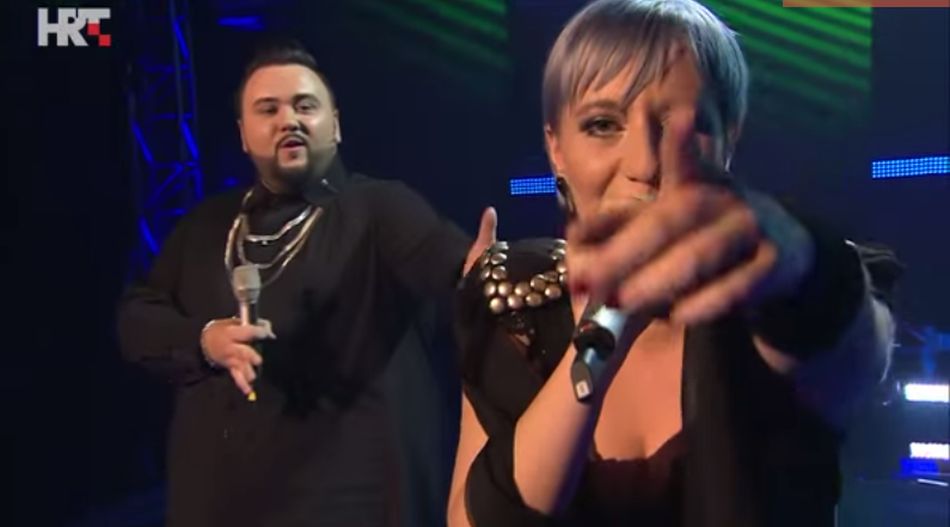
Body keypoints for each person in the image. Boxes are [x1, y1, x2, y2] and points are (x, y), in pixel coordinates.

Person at [447, 1, 900, 526]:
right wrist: (606, 326)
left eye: (680, 125)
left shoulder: (783, 294)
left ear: (730, 136)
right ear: (556, 149)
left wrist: (799, 263)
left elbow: (855, 354)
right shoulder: (516, 302)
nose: (644, 163)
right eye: (603, 124)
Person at [118, 40, 493, 527]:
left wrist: (479, 272)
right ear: (243, 134)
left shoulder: (379, 208)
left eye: (304, 106)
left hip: (350, 500)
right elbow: (137, 319)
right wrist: (205, 340)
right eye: (268, 110)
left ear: (334, 125)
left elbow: (444, 260)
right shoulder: (205, 227)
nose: (288, 120)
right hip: (224, 502)